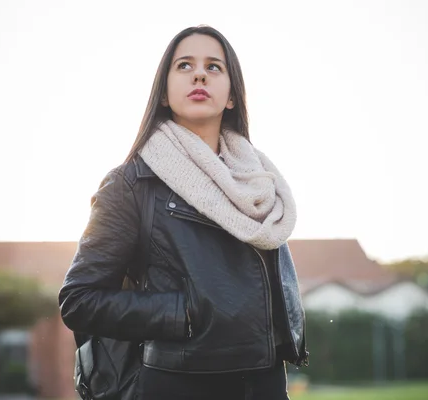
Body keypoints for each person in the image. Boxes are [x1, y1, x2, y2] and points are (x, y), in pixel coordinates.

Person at [58, 25, 309, 400]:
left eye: (214, 67)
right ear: (163, 93)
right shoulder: (132, 184)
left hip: (264, 385)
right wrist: (181, 313)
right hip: (177, 385)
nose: (199, 74)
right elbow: (79, 300)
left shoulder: (260, 184)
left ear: (231, 97)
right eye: (184, 65)